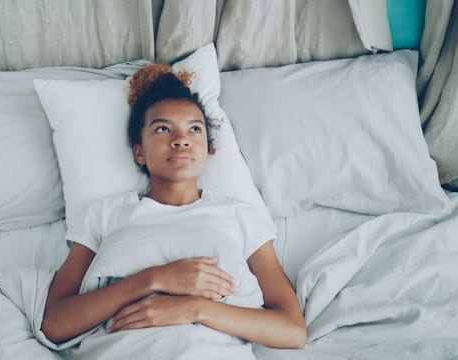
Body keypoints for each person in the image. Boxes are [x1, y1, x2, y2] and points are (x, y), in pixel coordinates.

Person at [41, 64, 306, 354]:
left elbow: (291, 330)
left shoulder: (238, 215)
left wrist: (193, 308)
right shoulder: (105, 215)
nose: (181, 139)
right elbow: (55, 324)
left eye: (194, 129)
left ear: (208, 148)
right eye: (163, 128)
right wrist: (153, 278)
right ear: (139, 151)